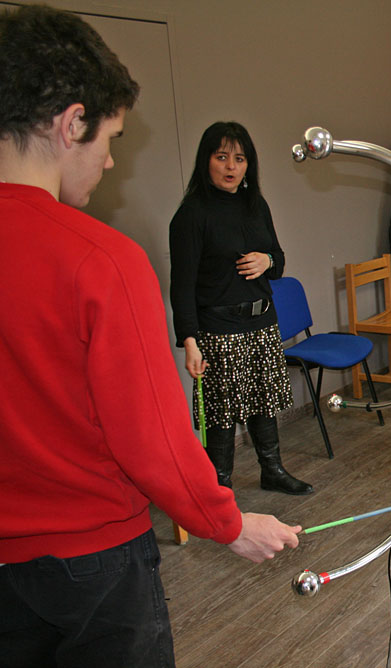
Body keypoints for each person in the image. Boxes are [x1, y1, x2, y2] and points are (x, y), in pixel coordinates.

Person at [0, 6, 300, 666]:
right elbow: (154, 436)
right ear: (69, 124)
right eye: (109, 138)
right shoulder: (102, 259)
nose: (110, 161)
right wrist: (228, 522)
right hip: (91, 567)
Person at [170, 121, 312, 496]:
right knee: (221, 412)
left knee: (264, 401)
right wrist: (189, 340)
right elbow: (181, 286)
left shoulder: (255, 205)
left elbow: (279, 259)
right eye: (222, 158)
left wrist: (267, 260)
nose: (231, 167)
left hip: (262, 321)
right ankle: (220, 486)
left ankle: (273, 470)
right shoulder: (191, 215)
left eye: (240, 158)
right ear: (207, 161)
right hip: (218, 328)